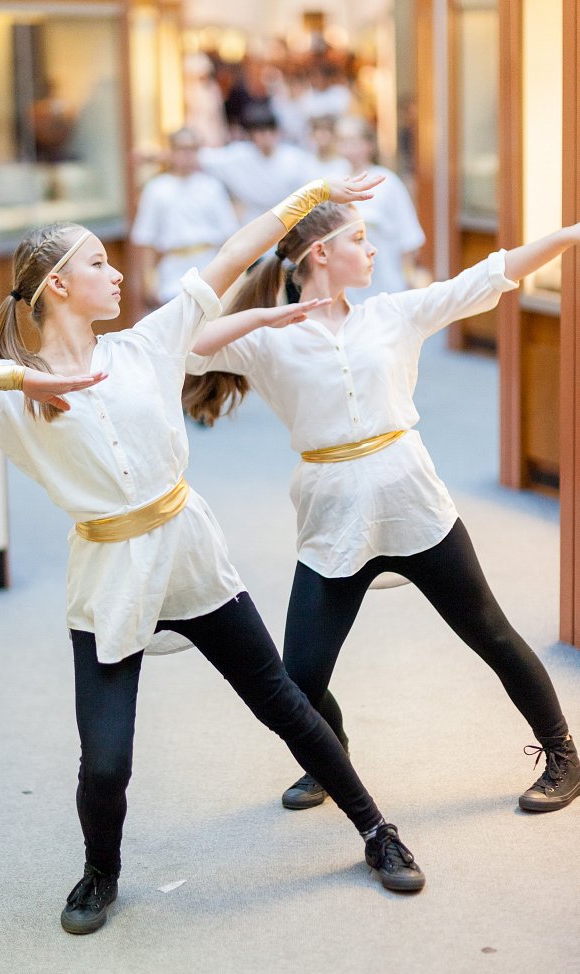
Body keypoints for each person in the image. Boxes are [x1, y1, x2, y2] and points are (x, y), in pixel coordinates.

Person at [0, 172, 430, 939]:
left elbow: (233, 253)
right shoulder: (8, 397)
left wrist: (305, 201)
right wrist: (20, 373)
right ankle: (102, 871)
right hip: (107, 573)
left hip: (189, 551)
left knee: (282, 703)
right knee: (104, 762)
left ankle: (374, 827)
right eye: (100, 263)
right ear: (59, 285)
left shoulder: (146, 344)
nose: (118, 272)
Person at [183, 201, 580, 819]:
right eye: (360, 239)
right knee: (299, 679)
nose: (372, 251)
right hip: (331, 516)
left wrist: (570, 234)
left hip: (411, 501)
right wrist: (259, 315)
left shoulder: (393, 313)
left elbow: (491, 275)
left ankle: (563, 755)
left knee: (491, 633)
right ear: (321, 254)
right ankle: (327, 751)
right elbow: (184, 346)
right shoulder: (265, 341)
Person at [130, 127, 238, 306]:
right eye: (182, 149)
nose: (188, 155)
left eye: (193, 149)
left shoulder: (212, 187)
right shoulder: (156, 189)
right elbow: (146, 239)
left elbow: (229, 235)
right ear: (171, 152)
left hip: (209, 268)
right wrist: (149, 280)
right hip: (173, 273)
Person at [336, 116, 425, 299]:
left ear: (369, 144)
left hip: (387, 278)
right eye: (343, 141)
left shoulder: (387, 182)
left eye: (353, 141)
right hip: (348, 285)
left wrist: (408, 277)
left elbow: (408, 234)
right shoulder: (335, 181)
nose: (348, 148)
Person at [198, 105, 318, 225]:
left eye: (270, 131)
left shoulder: (295, 158)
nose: (266, 136)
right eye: (260, 132)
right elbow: (205, 158)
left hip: (290, 220)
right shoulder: (239, 155)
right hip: (254, 220)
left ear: (277, 132)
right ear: (252, 134)